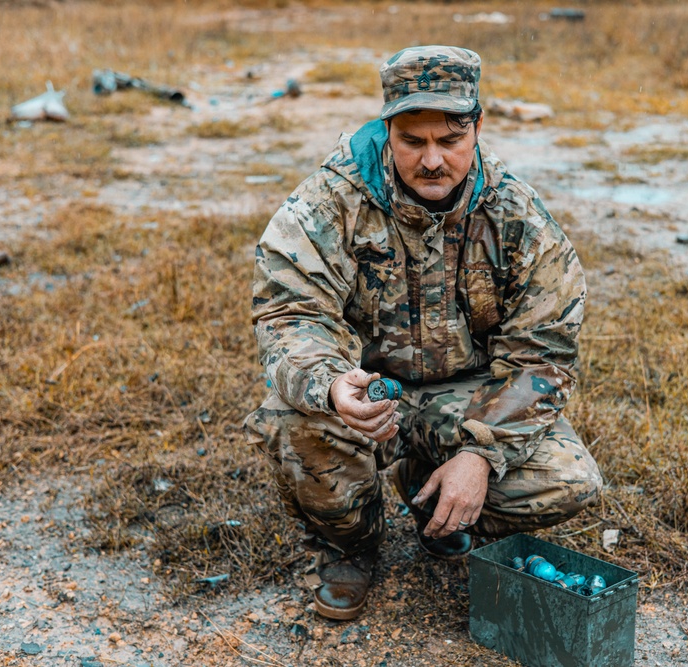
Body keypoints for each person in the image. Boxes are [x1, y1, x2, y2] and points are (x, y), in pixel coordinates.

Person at [245, 45, 602, 621]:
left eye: (450, 140)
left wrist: (482, 455)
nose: (432, 160)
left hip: (469, 402)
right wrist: (331, 385)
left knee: (566, 479)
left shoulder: (519, 218)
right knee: (295, 420)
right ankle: (348, 548)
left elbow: (543, 357)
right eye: (413, 141)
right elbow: (290, 315)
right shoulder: (329, 202)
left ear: (478, 128)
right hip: (368, 395)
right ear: (388, 131)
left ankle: (432, 494)